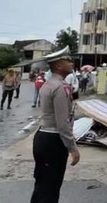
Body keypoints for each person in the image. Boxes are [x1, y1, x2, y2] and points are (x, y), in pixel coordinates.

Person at [31, 47, 80, 203]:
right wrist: (72, 147)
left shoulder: (48, 84)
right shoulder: (61, 87)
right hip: (53, 141)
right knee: (51, 189)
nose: (71, 62)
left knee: (42, 185)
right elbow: (63, 122)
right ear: (59, 66)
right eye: (67, 60)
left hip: (43, 138)